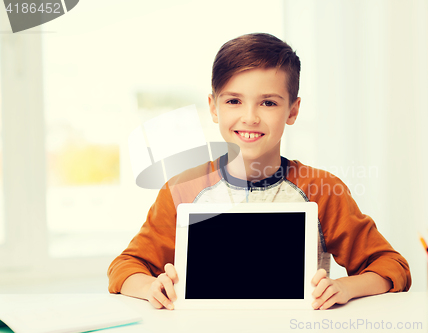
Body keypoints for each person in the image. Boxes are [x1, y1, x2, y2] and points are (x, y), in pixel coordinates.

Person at [107, 32, 411, 311]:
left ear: (292, 110)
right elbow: (125, 268)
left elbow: (391, 266)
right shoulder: (182, 188)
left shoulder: (321, 188)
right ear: (214, 107)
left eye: (268, 102)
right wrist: (152, 287)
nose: (249, 117)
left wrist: (345, 287)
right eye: (234, 101)